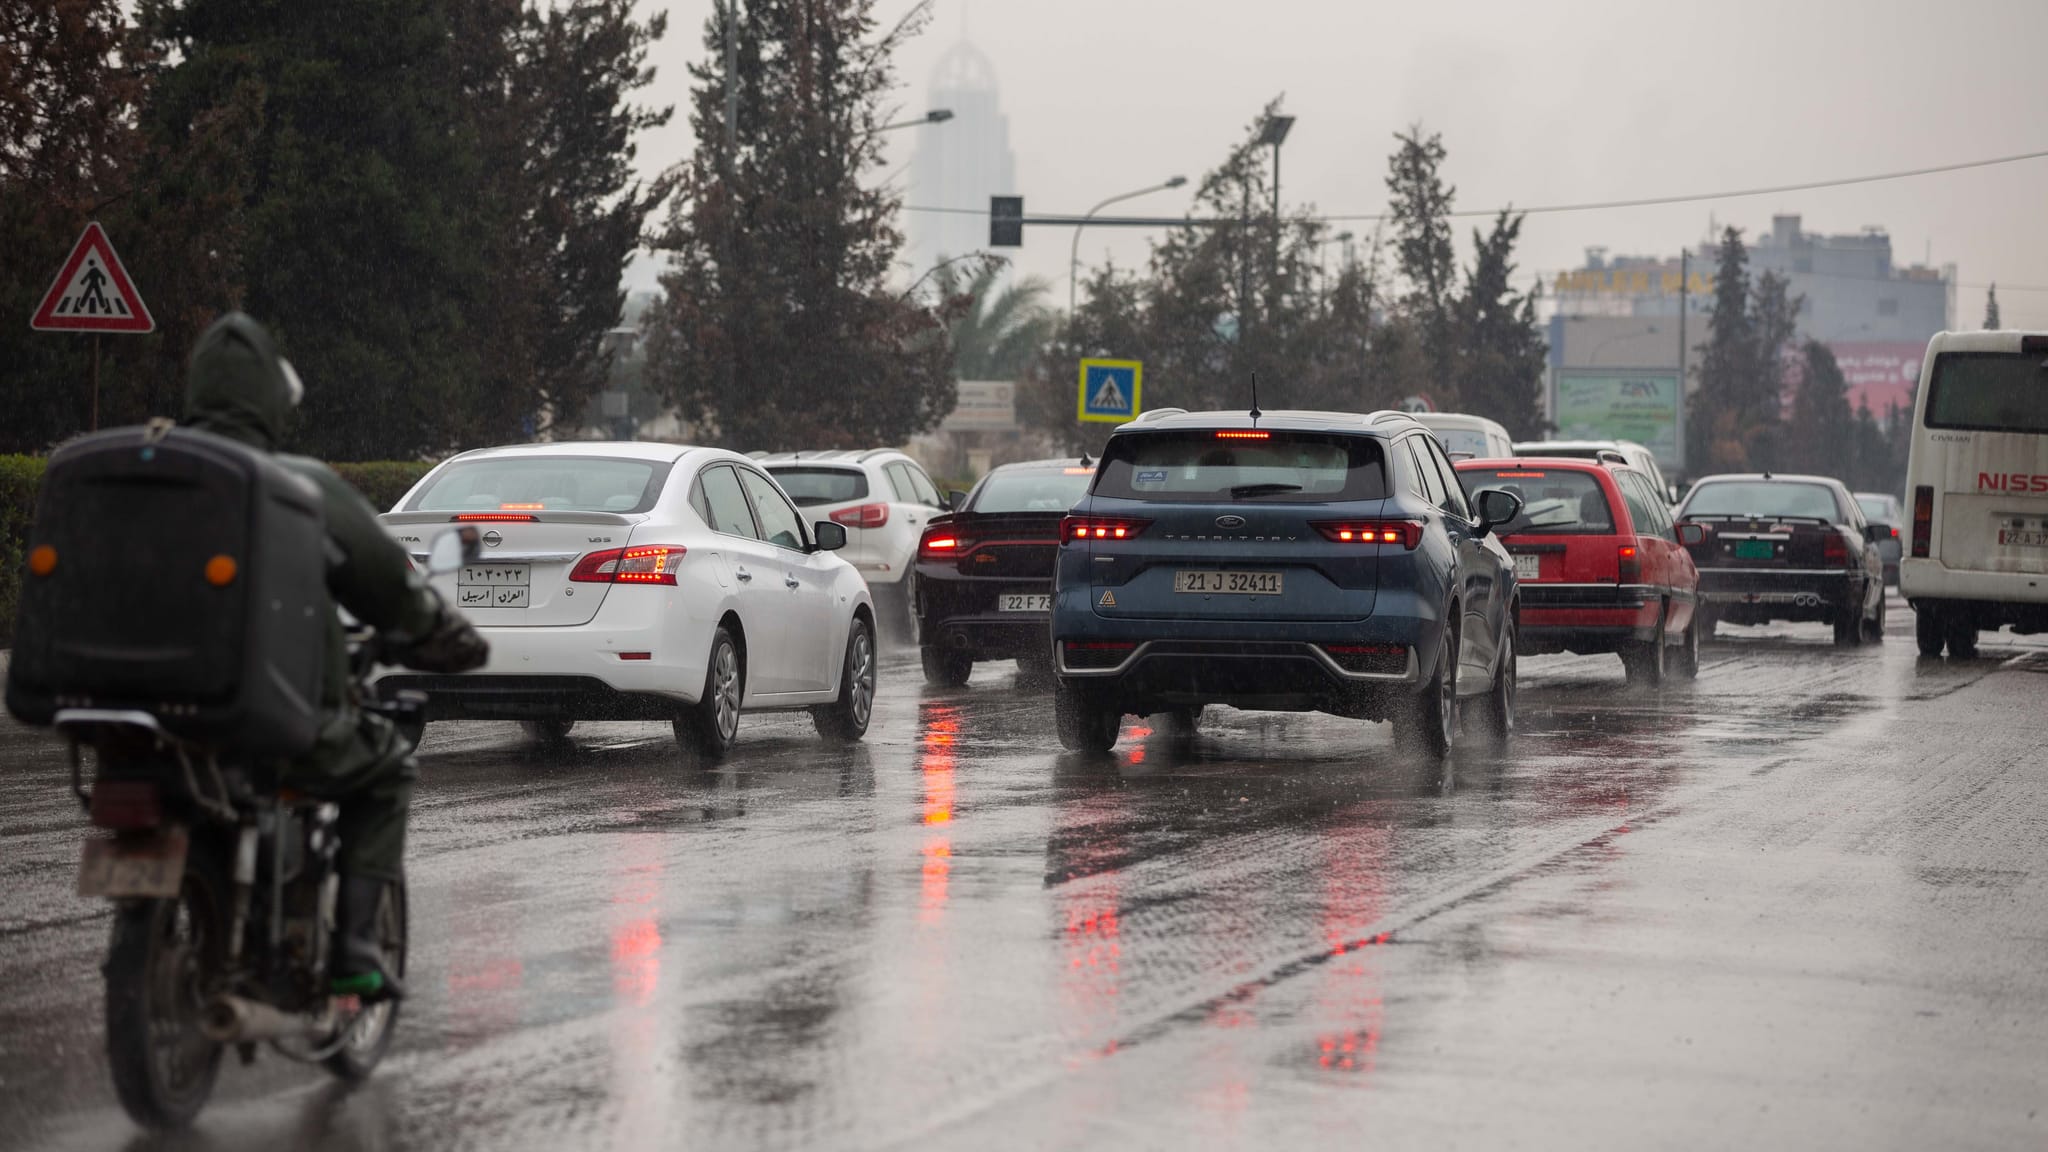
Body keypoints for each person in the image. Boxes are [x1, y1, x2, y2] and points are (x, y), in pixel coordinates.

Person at [183, 312, 487, 1000]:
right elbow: (388, 583)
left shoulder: (150, 470)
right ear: (269, 399)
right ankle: (353, 952)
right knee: (384, 771)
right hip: (254, 714)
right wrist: (445, 638)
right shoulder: (295, 484)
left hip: (137, 716)